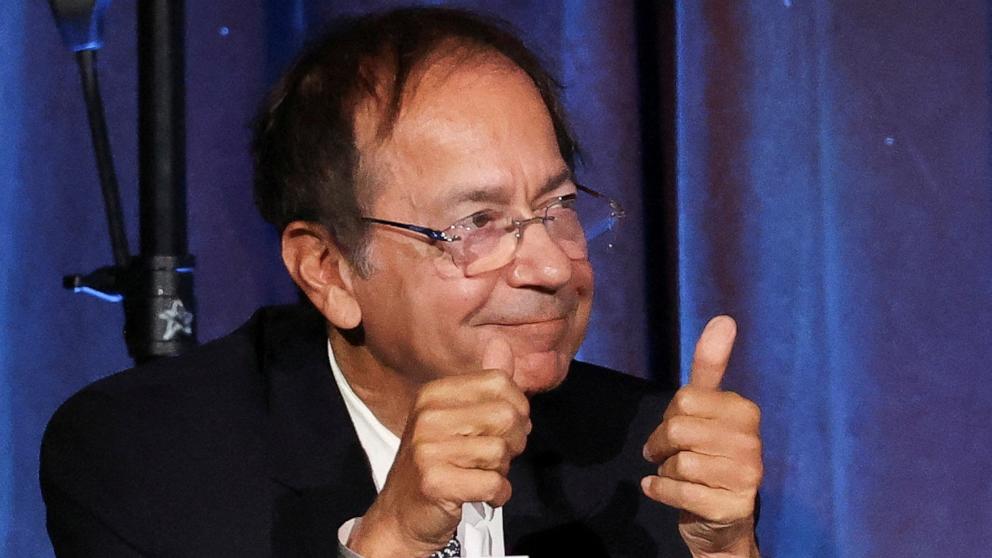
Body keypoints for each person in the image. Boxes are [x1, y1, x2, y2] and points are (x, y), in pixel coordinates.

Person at [41, 7, 763, 557]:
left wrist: (728, 552)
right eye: (476, 223)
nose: (550, 268)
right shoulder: (145, 459)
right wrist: (391, 540)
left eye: (558, 209)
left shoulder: (652, 453)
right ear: (327, 272)